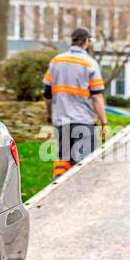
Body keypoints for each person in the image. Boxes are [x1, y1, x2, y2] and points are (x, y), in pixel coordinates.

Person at [43, 28, 109, 178]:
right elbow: (97, 97)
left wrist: (49, 114)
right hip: (83, 122)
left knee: (63, 163)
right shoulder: (90, 64)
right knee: (84, 168)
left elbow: (47, 94)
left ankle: (57, 193)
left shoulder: (56, 61)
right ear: (86, 42)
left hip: (62, 122)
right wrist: (104, 121)